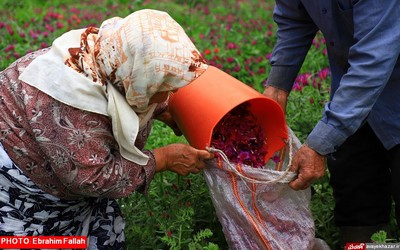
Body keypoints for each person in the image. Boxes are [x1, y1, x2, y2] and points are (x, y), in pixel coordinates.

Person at [0, 9, 214, 249]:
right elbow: (92, 178)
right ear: (138, 79)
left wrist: (160, 110)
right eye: (163, 86)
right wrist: (163, 159)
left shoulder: (112, 56)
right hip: (23, 190)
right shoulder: (74, 103)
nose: (168, 94)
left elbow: (123, 92)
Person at [263, 0, 400, 246]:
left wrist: (318, 144)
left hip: (384, 96)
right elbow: (294, 19)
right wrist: (276, 89)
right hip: (352, 106)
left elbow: (373, 59)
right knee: (359, 212)